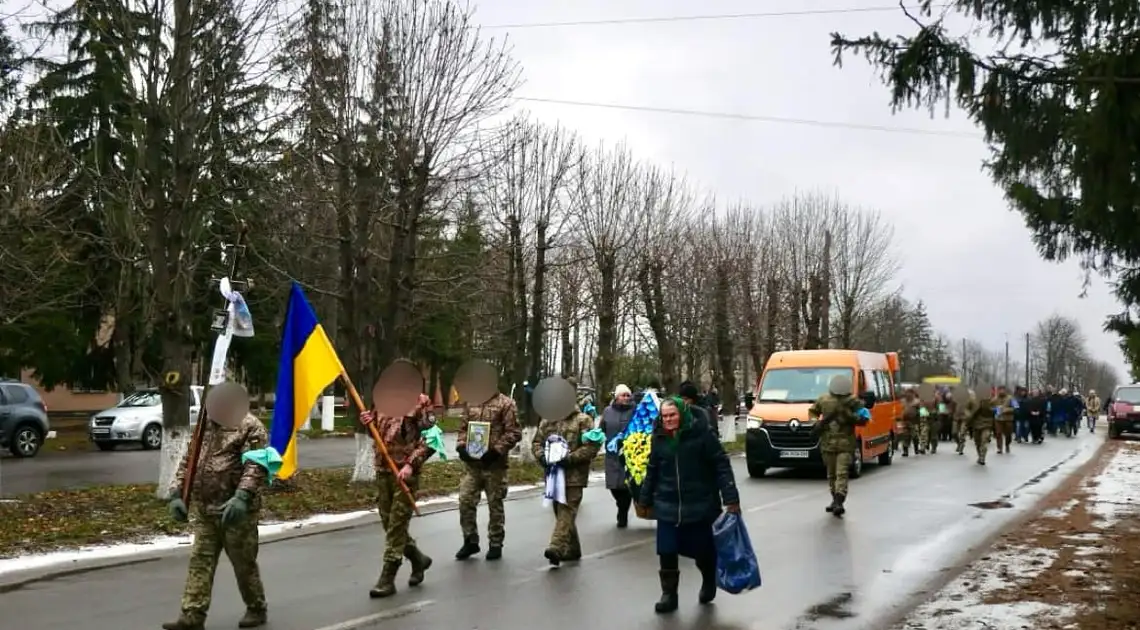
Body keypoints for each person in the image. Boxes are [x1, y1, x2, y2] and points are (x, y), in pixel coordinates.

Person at [163, 382, 269, 630]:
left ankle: (256, 607)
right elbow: (188, 462)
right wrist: (177, 493)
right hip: (205, 509)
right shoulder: (204, 427)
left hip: (235, 511)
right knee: (200, 560)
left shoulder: (250, 427)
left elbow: (255, 465)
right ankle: (192, 614)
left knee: (243, 563)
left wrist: (242, 497)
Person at [638, 397, 739, 614]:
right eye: (664, 416)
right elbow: (653, 468)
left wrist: (731, 497)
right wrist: (644, 498)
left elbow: (721, 464)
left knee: (702, 550)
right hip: (667, 503)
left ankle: (709, 578)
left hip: (700, 503)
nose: (668, 420)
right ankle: (669, 595)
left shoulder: (702, 433)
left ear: (682, 414)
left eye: (672, 415)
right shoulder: (659, 437)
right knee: (666, 550)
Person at [454, 381, 522, 561]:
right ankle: (470, 540)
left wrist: (496, 451)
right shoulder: (471, 402)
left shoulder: (506, 404)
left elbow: (514, 432)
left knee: (495, 505)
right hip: (473, 466)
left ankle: (495, 543)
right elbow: (463, 428)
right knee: (465, 500)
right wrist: (461, 446)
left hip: (495, 466)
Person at [531, 403, 600, 566]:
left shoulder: (583, 420)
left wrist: (570, 458)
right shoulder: (547, 421)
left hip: (574, 476)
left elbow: (592, 447)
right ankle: (573, 549)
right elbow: (536, 443)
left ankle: (556, 547)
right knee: (560, 512)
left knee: (566, 511)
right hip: (554, 476)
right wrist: (542, 457)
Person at [809, 374, 869, 516]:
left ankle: (839, 501)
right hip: (831, 442)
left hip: (843, 444)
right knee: (832, 474)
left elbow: (864, 418)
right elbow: (813, 412)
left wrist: (849, 416)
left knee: (840, 473)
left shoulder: (852, 401)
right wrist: (816, 423)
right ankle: (835, 499)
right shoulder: (825, 400)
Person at [601, 384, 636, 527]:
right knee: (613, 486)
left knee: (626, 486)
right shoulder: (607, 411)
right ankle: (621, 505)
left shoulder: (635, 410)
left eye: (628, 395)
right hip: (612, 454)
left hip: (629, 454)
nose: (626, 398)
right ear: (616, 397)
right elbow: (602, 428)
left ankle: (622, 513)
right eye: (623, 395)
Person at [965, 388, 993, 465]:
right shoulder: (972, 400)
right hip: (976, 424)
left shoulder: (990, 401)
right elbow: (967, 409)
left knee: (984, 441)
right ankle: (980, 455)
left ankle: (982, 457)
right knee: (978, 442)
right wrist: (968, 415)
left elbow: (994, 410)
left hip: (987, 424)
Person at [993, 385, 1015, 454]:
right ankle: (999, 448)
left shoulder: (1011, 398)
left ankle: (1007, 444)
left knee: (1008, 434)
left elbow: (1016, 407)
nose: (1001, 391)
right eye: (1000, 390)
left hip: (1008, 419)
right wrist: (995, 409)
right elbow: (990, 407)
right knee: (998, 433)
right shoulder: (995, 399)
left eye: (1003, 390)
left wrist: (1006, 409)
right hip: (998, 419)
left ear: (1005, 391)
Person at [900, 388, 921, 456]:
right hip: (904, 421)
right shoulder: (902, 401)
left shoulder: (917, 402)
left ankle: (916, 449)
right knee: (905, 436)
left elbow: (920, 411)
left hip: (914, 421)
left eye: (910, 393)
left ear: (913, 394)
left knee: (915, 436)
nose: (908, 395)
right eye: (907, 393)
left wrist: (919, 420)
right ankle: (905, 451)